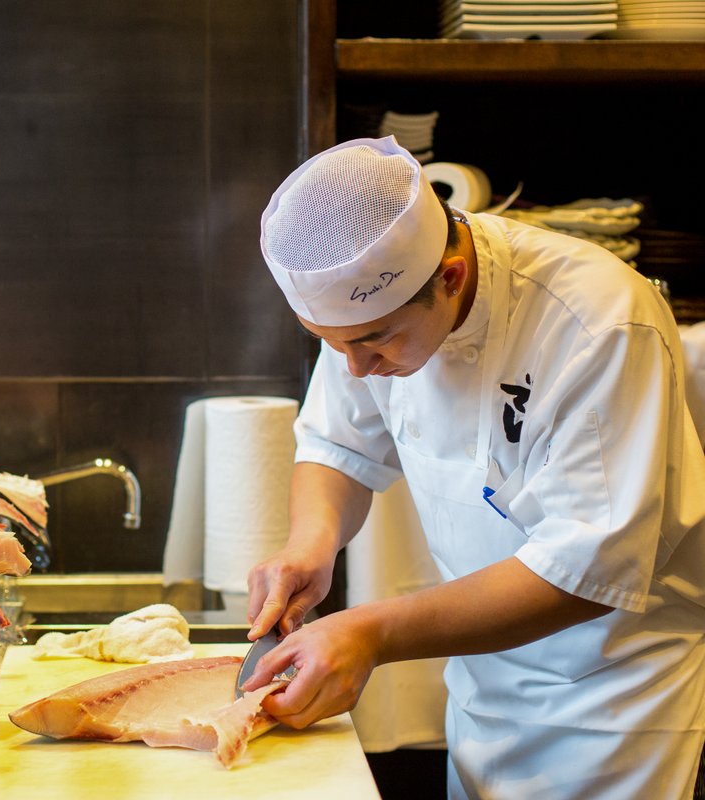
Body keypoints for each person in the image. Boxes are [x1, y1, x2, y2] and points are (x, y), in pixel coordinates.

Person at [242, 136, 705, 799]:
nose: (355, 369)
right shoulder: (374, 313)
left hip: (613, 708)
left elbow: (585, 572)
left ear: (452, 278)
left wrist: (371, 632)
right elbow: (337, 443)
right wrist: (308, 546)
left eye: (373, 342)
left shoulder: (598, 324)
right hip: (482, 687)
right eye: (330, 344)